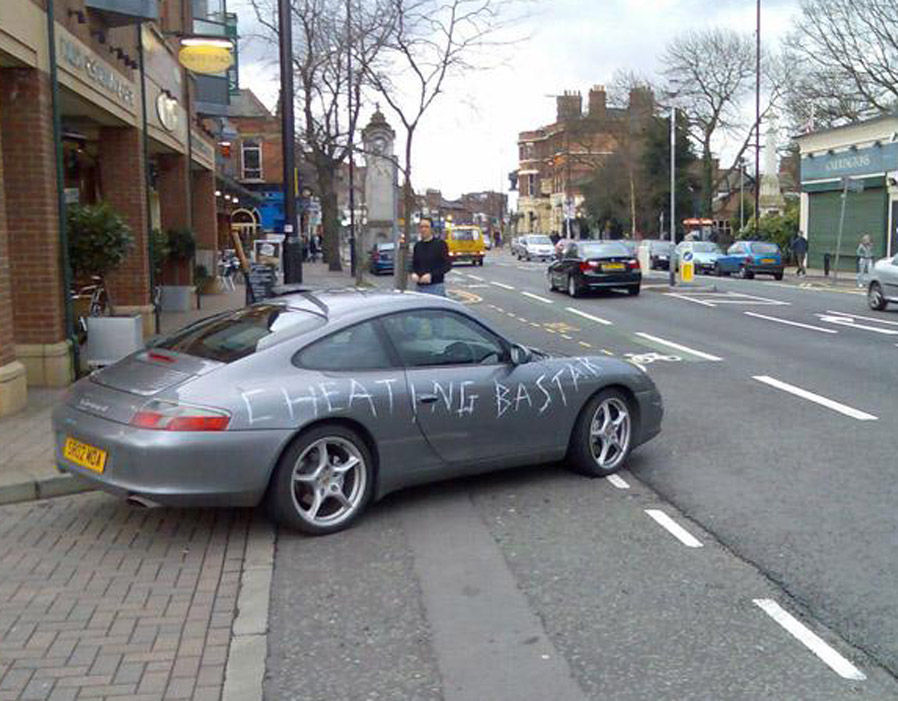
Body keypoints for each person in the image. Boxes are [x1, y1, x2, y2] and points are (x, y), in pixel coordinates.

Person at [411, 217, 451, 296]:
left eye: (426, 227)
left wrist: (431, 275)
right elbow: (414, 264)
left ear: (431, 229)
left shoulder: (440, 244)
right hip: (419, 287)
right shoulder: (417, 246)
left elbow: (447, 265)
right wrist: (414, 273)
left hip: (436, 287)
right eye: (421, 227)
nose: (423, 229)